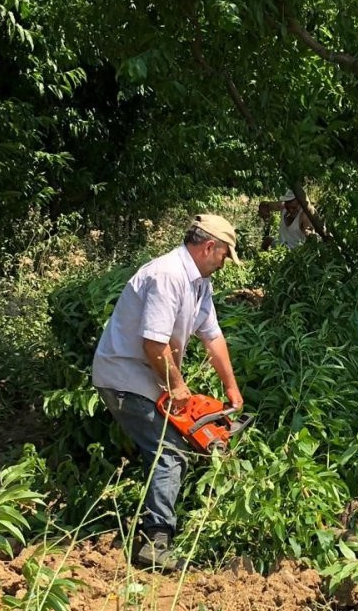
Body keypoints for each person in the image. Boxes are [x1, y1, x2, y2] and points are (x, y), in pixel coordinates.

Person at [92, 212, 244, 571]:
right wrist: (177, 384)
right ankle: (155, 543)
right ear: (210, 247)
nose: (224, 264)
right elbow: (153, 343)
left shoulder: (198, 283)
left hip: (146, 376)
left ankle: (153, 522)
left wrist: (231, 388)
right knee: (169, 452)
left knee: (172, 445)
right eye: (225, 255)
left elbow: (213, 336)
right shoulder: (168, 275)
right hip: (125, 375)